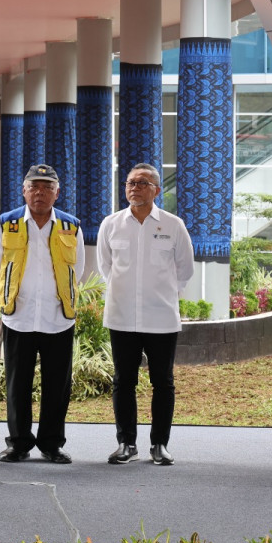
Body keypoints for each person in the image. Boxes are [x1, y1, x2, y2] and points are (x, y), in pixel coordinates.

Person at [0, 163, 85, 464]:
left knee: (57, 386)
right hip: (19, 316)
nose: (40, 192)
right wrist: (5, 300)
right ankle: (18, 443)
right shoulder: (5, 224)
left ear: (57, 192)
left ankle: (52, 444)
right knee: (17, 384)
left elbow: (77, 270)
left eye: (47, 187)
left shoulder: (71, 226)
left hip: (58, 318)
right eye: (34, 186)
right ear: (24, 190)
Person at [97, 163, 194, 466]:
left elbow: (185, 270)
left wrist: (161, 293)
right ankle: (126, 443)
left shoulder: (173, 225)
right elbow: (105, 268)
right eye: (130, 183)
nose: (134, 188)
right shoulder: (111, 224)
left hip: (161, 317)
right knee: (123, 381)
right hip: (122, 316)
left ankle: (160, 445)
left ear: (156, 190)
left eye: (142, 183)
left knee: (162, 382)